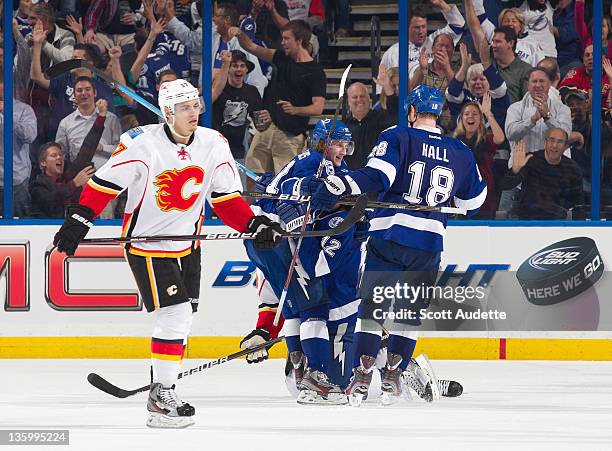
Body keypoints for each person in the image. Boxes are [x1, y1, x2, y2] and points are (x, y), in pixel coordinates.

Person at [52, 79, 284, 428]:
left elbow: (225, 199)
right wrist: (80, 221)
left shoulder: (213, 143)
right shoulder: (141, 144)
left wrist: (253, 225)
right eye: (186, 108)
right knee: (174, 314)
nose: (195, 113)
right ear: (168, 112)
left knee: (183, 317)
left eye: (197, 105)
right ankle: (162, 393)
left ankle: (162, 379)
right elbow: (103, 186)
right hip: (147, 244)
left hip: (187, 243)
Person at [297, 85, 487, 405]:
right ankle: (393, 378)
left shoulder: (397, 136)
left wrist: (340, 184)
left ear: (412, 111)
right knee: (409, 313)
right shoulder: (461, 151)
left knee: (372, 310)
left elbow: (377, 178)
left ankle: (361, 376)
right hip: (428, 241)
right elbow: (473, 202)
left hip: (388, 235)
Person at [241, 118, 359, 404]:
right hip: (281, 242)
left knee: (295, 308)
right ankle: (316, 379)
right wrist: (299, 190)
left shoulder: (308, 163)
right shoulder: (318, 164)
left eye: (345, 144)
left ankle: (299, 368)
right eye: (337, 143)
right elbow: (295, 191)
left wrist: (281, 190)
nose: (342, 150)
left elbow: (273, 197)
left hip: (264, 238)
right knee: (314, 307)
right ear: (321, 142)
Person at [229, 20, 326, 177]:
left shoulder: (315, 71)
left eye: (286, 38)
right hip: (267, 128)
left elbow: (318, 107)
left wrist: (296, 109)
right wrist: (240, 34)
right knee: (252, 173)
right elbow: (251, 47)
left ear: (299, 40)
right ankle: (253, 203)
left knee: (285, 180)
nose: (282, 42)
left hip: (290, 136)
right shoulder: (281, 58)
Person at [500, 130, 583, 219]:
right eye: (551, 140)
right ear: (545, 142)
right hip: (526, 221)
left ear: (566, 146)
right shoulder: (530, 160)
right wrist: (515, 170)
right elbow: (505, 185)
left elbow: (577, 204)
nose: (555, 145)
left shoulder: (573, 168)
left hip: (556, 223)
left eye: (560, 142)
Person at [212, 50, 270, 162]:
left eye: (242, 66)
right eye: (235, 65)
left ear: (246, 70)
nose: (239, 69)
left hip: (238, 150)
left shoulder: (252, 92)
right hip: (215, 148)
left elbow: (260, 125)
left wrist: (268, 119)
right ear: (228, 69)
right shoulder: (218, 89)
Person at [454, 96, 505, 219]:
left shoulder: (486, 139)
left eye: (475, 114)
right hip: (462, 195)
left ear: (480, 119)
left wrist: (488, 113)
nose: (470, 116)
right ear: (462, 119)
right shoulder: (455, 142)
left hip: (484, 197)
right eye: (466, 114)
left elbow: (500, 138)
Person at [29, 142, 96, 218]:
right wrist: (74, 183)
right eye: (53, 155)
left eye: (61, 155)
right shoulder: (37, 186)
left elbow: (86, 153)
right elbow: (52, 200)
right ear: (43, 163)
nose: (59, 157)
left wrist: (98, 129)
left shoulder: (70, 175)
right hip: (50, 228)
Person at [344, 81, 395, 169]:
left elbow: (396, 112)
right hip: (350, 178)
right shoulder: (341, 128)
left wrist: (387, 84)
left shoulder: (382, 120)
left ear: (369, 98)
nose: (359, 100)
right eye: (354, 97)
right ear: (348, 101)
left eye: (362, 96)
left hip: (376, 177)